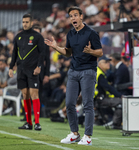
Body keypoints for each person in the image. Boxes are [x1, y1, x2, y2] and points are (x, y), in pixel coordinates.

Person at [45, 6, 103, 145]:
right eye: (71, 16)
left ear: (81, 16)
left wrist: (90, 51)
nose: (73, 18)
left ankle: (88, 137)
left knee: (87, 104)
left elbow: (100, 52)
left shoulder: (91, 33)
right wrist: (56, 47)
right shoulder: (70, 34)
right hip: (73, 71)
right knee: (70, 103)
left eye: (75, 15)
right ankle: (75, 134)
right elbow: (68, 53)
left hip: (88, 71)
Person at [9, 14, 45, 131]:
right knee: (25, 95)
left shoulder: (37, 36)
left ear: (31, 23)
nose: (25, 24)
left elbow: (42, 53)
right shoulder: (18, 37)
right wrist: (11, 67)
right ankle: (28, 123)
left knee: (34, 94)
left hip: (33, 70)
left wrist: (39, 66)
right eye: (23, 22)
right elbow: (14, 53)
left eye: (27, 22)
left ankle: (37, 122)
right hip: (21, 70)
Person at [94, 55, 122, 129]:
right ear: (100, 64)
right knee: (121, 102)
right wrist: (119, 95)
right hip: (100, 99)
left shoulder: (100, 72)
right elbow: (108, 87)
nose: (108, 63)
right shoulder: (100, 74)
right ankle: (115, 123)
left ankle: (111, 121)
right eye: (106, 62)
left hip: (98, 98)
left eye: (109, 62)